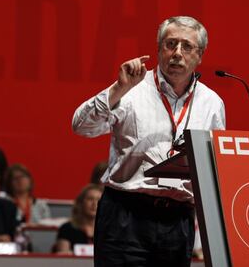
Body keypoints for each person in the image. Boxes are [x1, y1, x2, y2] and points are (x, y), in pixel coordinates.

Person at [72, 16, 225, 266]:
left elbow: (213, 164)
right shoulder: (132, 87)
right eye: (170, 44)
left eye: (186, 46)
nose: (177, 53)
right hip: (126, 215)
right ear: (158, 49)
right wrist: (116, 91)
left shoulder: (212, 103)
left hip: (178, 220)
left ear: (200, 55)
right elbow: (81, 126)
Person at [54, 184, 103, 254]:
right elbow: (63, 257)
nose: (95, 204)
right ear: (81, 203)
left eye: (98, 200)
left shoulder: (109, 231)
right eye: (90, 199)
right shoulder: (66, 229)